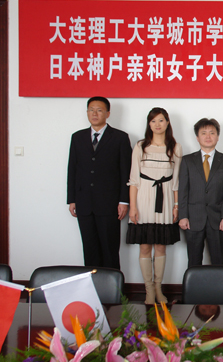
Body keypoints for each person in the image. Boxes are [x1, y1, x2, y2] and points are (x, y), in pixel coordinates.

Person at [67, 96, 132, 270]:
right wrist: (72, 199)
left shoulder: (120, 137)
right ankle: (92, 285)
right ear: (87, 112)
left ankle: (112, 286)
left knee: (110, 249)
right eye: (91, 110)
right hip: (84, 202)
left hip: (109, 204)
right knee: (89, 249)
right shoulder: (78, 137)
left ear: (108, 113)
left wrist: (124, 201)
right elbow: (72, 169)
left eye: (99, 110)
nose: (94, 113)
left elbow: (126, 171)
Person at [127, 107, 182, 304]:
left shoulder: (175, 147)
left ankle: (159, 289)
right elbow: (134, 180)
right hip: (144, 199)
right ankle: (148, 290)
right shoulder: (140, 146)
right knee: (144, 246)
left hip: (165, 200)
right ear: (149, 124)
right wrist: (133, 207)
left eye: (161, 120)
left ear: (167, 122)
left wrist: (176, 205)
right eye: (153, 121)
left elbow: (176, 181)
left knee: (160, 246)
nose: (157, 124)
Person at [178, 118, 223, 268]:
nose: (208, 136)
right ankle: (194, 285)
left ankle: (219, 285)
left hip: (218, 219)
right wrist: (183, 216)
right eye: (203, 133)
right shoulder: (187, 160)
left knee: (218, 260)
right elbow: (183, 190)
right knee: (194, 261)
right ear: (197, 137)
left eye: (212, 133)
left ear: (217, 136)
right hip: (193, 219)